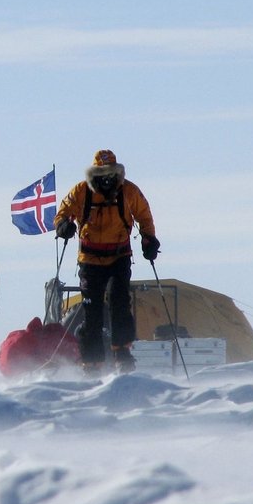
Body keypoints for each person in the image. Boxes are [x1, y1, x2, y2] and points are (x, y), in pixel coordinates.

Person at [53, 149, 158, 375]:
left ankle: (122, 354)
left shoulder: (129, 191)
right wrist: (64, 226)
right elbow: (62, 213)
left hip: (119, 258)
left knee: (120, 303)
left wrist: (149, 240)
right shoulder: (81, 191)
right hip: (89, 261)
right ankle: (91, 363)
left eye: (111, 173)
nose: (107, 178)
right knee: (91, 311)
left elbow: (144, 215)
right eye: (102, 173)